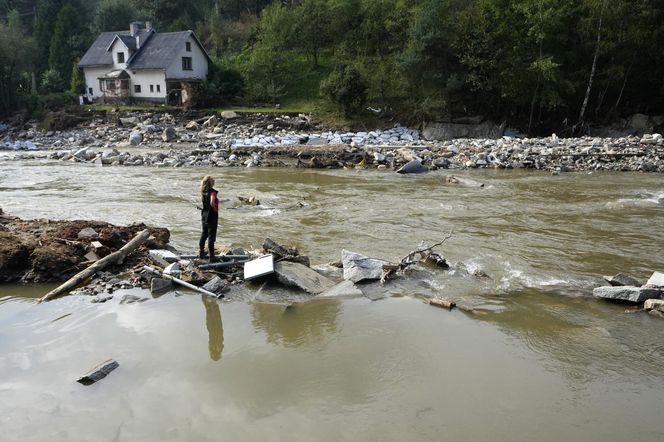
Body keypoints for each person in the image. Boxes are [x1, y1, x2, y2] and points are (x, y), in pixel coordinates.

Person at [199, 175, 219, 262]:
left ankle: (201, 253)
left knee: (204, 234)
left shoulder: (203, 191)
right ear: (211, 183)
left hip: (204, 215)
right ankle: (212, 256)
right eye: (213, 180)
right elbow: (211, 202)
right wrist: (215, 209)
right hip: (212, 216)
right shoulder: (212, 192)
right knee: (211, 236)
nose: (214, 182)